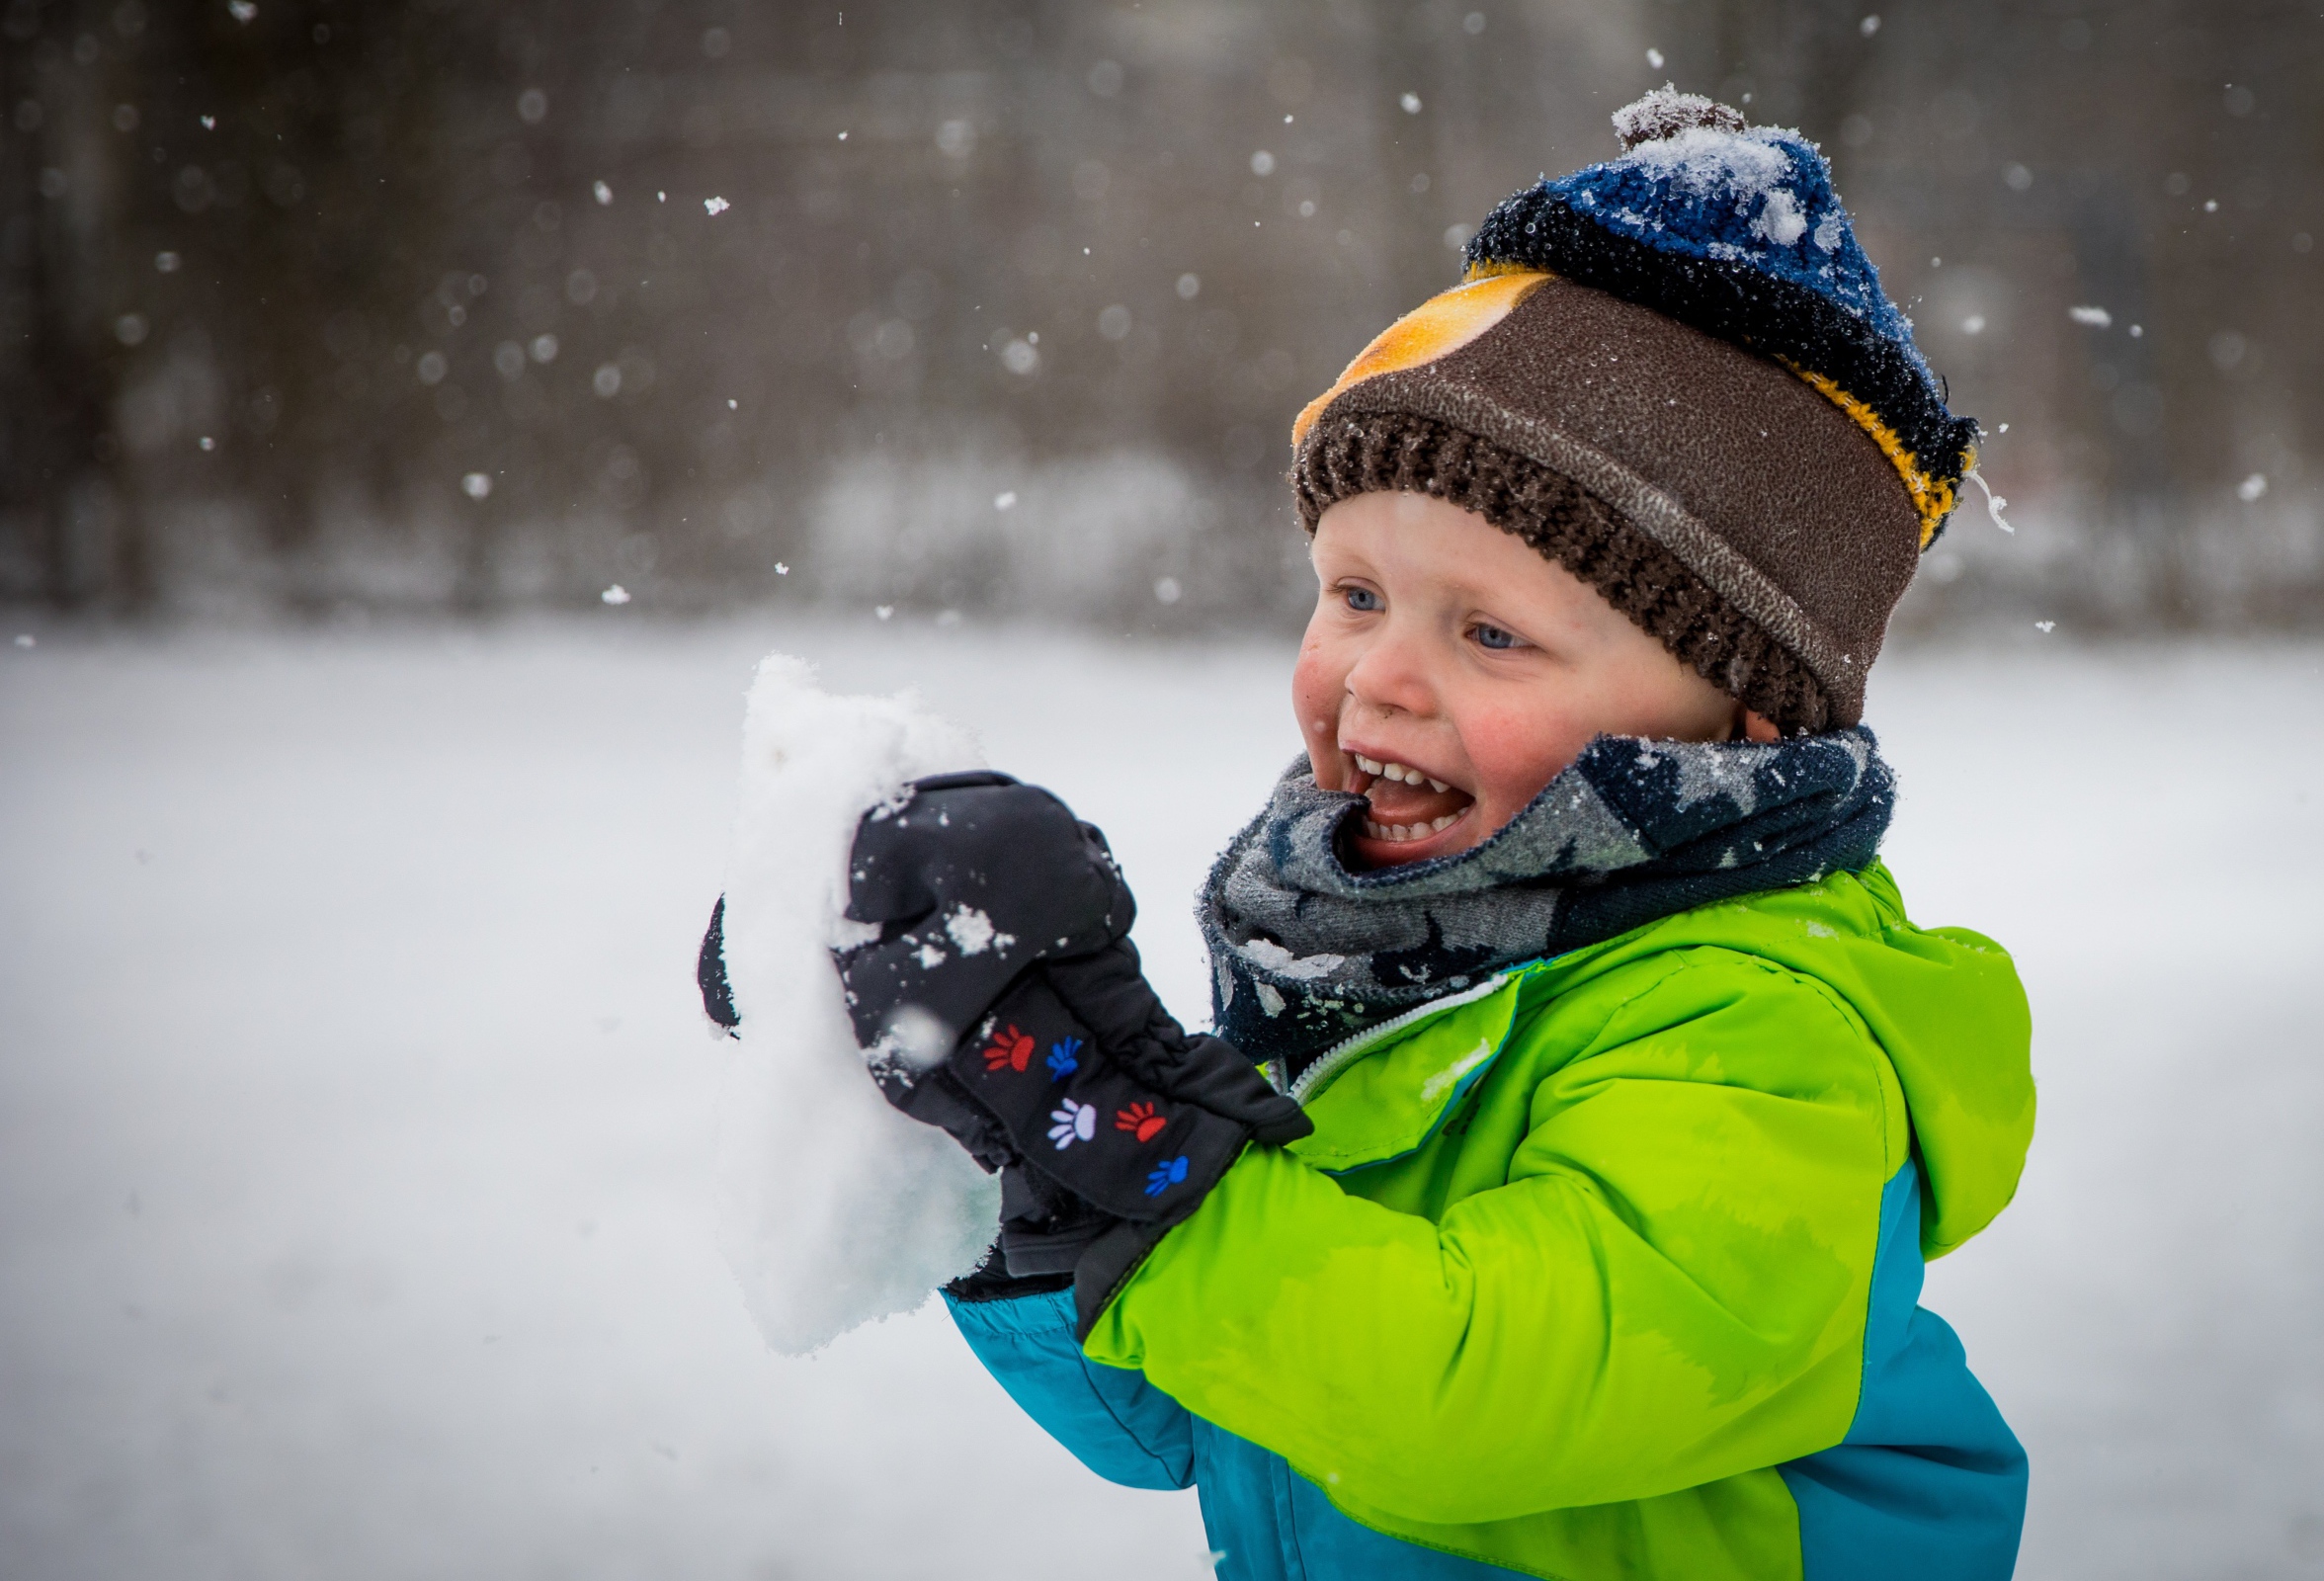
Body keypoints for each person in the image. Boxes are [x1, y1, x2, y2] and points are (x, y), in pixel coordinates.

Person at [725, 88, 2036, 1580]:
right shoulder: (1391, 961)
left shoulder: (1760, 1033)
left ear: (1737, 721)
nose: (1378, 679)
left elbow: (1469, 1396)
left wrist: (1159, 1163)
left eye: (1491, 632)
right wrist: (1033, 1142)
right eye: (1355, 596)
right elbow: (1198, 1421)